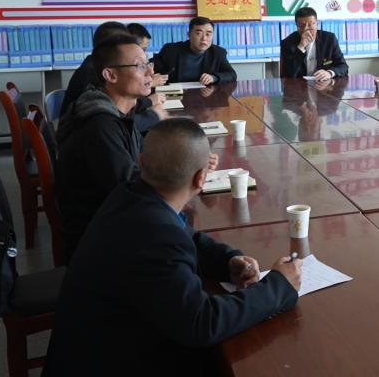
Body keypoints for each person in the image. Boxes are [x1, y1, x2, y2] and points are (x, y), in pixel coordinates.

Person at [44, 118, 302, 376]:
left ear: (141, 162)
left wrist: (227, 261)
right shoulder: (157, 234)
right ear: (201, 178)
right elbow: (201, 323)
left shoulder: (131, 194)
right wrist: (278, 286)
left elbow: (186, 236)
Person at [57, 33, 217, 259]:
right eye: (140, 66)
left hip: (124, 221)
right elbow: (135, 191)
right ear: (110, 75)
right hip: (102, 244)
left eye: (148, 64)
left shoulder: (118, 112)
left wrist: (191, 160)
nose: (150, 73)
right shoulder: (100, 126)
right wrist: (189, 176)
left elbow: (145, 161)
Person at [60, 21, 167, 132]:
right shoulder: (91, 72)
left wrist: (148, 102)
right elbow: (116, 124)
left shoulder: (95, 65)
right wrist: (153, 116)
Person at [153, 16, 236, 85]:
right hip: (177, 95)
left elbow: (231, 74)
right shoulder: (170, 50)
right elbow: (152, 69)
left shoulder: (218, 53)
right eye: (198, 33)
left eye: (208, 34)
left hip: (205, 95)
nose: (204, 38)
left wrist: (214, 77)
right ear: (189, 34)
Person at [279, 7, 349, 80]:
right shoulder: (287, 43)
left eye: (310, 25)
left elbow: (343, 66)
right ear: (296, 26)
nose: (306, 29)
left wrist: (330, 73)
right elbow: (288, 74)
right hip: (299, 84)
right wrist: (301, 47)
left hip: (324, 83)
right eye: (302, 26)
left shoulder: (329, 39)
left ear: (317, 24)